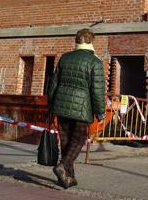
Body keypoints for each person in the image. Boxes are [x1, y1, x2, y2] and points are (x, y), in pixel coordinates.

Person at [47, 28, 106, 189]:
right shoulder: (95, 62)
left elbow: (53, 83)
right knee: (78, 140)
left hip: (61, 105)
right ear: (91, 42)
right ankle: (63, 166)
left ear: (77, 41)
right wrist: (100, 112)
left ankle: (68, 178)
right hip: (81, 108)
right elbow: (98, 90)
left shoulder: (65, 58)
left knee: (66, 142)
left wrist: (50, 105)